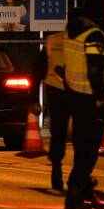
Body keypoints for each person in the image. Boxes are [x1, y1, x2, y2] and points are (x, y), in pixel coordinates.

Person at [61, 0, 104, 209]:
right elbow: (94, 70)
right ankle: (75, 192)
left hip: (74, 96)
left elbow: (64, 68)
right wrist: (101, 96)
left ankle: (85, 190)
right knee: (89, 150)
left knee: (82, 148)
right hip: (90, 99)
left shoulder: (71, 34)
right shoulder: (93, 36)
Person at [31, 28, 68, 191]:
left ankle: (60, 168)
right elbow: (38, 70)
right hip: (73, 94)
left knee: (59, 133)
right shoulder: (91, 38)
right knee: (62, 134)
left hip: (59, 93)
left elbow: (37, 71)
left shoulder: (54, 40)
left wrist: (33, 98)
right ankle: (60, 168)